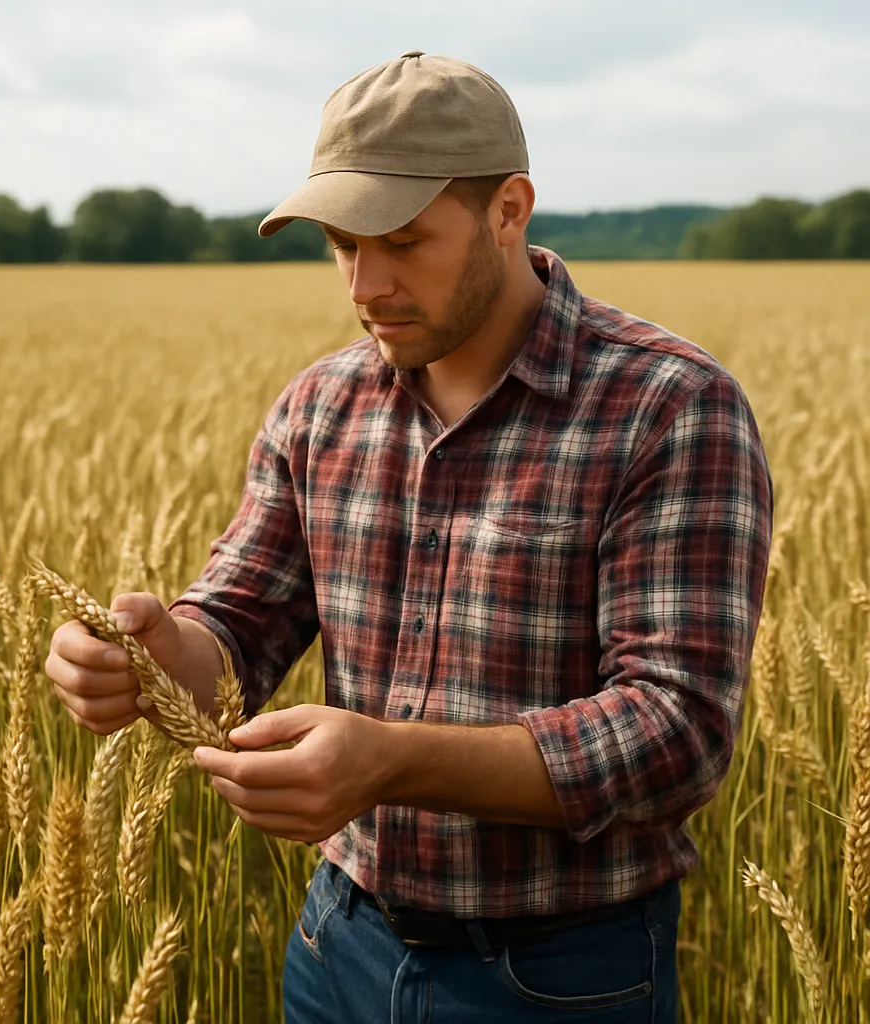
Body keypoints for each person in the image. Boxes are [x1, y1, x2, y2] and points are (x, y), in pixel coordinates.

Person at [45, 50, 774, 1023]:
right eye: (343, 244)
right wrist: (152, 656)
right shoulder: (319, 405)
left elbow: (677, 730)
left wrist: (392, 760)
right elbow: (240, 624)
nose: (366, 283)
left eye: (401, 239)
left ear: (508, 210)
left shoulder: (669, 406)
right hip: (335, 945)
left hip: (559, 978)